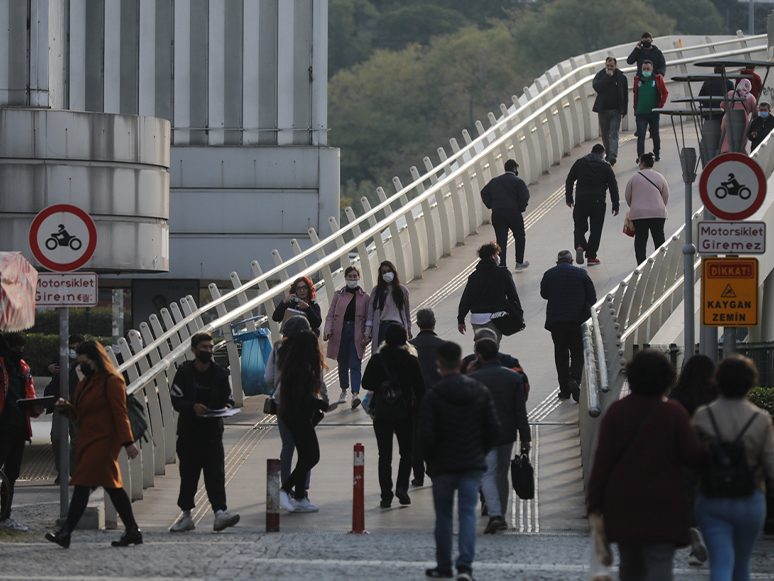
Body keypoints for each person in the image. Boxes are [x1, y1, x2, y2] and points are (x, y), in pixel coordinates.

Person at [587, 349, 704, 581]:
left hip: (624, 501)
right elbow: (693, 457)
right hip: (664, 500)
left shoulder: (617, 412)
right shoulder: (674, 413)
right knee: (660, 560)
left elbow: (602, 462)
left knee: (629, 563)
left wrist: (594, 502)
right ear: (666, 378)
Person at [45, 341, 141, 548]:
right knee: (111, 487)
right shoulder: (85, 382)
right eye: (79, 363)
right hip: (89, 441)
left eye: (84, 362)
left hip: (105, 442)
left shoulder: (113, 381)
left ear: (96, 360)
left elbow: (120, 414)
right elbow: (79, 414)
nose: (81, 367)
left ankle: (66, 533)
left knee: (82, 485)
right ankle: (132, 529)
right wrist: (65, 408)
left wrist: (128, 442)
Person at [421, 341, 500, 581]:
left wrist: (430, 461)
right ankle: (465, 566)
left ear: (438, 364)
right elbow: (493, 430)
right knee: (467, 514)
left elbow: (425, 435)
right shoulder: (479, 391)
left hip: (442, 466)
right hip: (471, 465)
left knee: (444, 517)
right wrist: (479, 452)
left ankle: (444, 565)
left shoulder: (433, 395)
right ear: (461, 362)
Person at [693, 356, 774, 580]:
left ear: (718, 381)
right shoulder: (760, 418)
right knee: (742, 563)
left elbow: (692, 457)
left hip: (711, 497)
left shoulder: (703, 415)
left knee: (720, 561)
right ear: (751, 382)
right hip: (750, 498)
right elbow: (771, 465)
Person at [168, 332, 240, 533]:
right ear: (194, 350)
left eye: (210, 347)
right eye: (204, 348)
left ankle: (219, 514)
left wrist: (225, 406)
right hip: (189, 433)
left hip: (212, 434)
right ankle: (186, 515)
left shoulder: (219, 373)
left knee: (215, 474)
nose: (208, 351)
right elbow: (176, 399)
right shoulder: (184, 372)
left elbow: (228, 398)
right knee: (188, 475)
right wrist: (192, 406)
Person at [469, 338, 530, 535]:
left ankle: (495, 515)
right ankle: (501, 516)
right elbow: (520, 411)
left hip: (484, 435)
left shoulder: (475, 379)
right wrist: (525, 437)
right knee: (502, 476)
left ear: (479, 355)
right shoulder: (513, 378)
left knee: (487, 474)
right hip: (507, 434)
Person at [266, 316, 327, 510]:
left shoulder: (279, 349)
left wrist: (278, 390)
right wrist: (323, 400)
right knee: (308, 453)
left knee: (289, 447)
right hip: (300, 408)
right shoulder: (308, 353)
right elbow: (319, 379)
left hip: (280, 403)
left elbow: (268, 376)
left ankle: (297, 495)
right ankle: (290, 492)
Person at [362, 323, 425, 508]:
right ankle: (402, 488)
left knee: (385, 455)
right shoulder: (411, 360)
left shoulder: (377, 360)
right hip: (405, 412)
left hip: (382, 413)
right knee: (406, 452)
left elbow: (366, 383)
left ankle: (386, 496)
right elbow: (421, 390)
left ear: (386, 339)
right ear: (404, 339)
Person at [669, 354, 717, 566]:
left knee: (689, 497)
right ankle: (707, 537)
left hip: (684, 454)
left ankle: (694, 530)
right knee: (711, 497)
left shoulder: (678, 395)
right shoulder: (717, 395)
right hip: (713, 454)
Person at [540, 250, 597, 401]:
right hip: (577, 319)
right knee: (577, 352)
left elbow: (544, 294)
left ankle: (564, 390)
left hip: (556, 321)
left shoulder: (549, 274)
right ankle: (575, 379)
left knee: (561, 354)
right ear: (571, 261)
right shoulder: (581, 273)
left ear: (557, 262)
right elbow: (592, 297)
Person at [0, 334, 42, 532]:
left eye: (21, 349)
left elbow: (29, 394)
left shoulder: (23, 368)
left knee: (12, 474)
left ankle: (5, 516)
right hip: (3, 425)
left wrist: (35, 407)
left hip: (18, 427)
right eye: (16, 348)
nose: (19, 352)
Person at [457, 241, 523, 345]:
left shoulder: (474, 276)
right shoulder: (503, 273)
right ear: (493, 256)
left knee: (480, 349)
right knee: (492, 350)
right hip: (495, 318)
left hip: (476, 319)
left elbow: (466, 299)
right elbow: (512, 295)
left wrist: (461, 319)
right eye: (497, 254)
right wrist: (518, 314)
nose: (498, 257)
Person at [565, 144, 619, 266]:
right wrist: (615, 205)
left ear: (591, 151)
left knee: (579, 225)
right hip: (598, 201)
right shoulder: (605, 166)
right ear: (603, 154)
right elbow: (613, 186)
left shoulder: (580, 163)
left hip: (581, 199)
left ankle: (580, 244)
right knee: (596, 229)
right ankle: (591, 257)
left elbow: (569, 180)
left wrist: (569, 198)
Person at [409, 308, 446, 487]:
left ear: (417, 323)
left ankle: (418, 475)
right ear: (434, 323)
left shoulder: (410, 346)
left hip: (416, 398)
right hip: (438, 398)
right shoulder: (443, 345)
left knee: (416, 438)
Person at [323, 266, 370, 408]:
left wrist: (367, 335)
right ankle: (344, 390)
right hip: (340, 332)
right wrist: (327, 330)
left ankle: (355, 394)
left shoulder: (365, 297)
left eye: (355, 276)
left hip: (357, 332)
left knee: (356, 363)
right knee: (342, 364)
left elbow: (369, 317)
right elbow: (330, 315)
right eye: (349, 276)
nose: (352, 279)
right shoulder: (338, 295)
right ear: (345, 278)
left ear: (359, 278)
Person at [45, 333, 85, 484]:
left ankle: (74, 472)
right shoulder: (60, 359)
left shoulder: (87, 362)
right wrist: (48, 368)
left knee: (76, 440)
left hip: (78, 406)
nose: (72, 351)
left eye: (75, 348)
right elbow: (48, 369)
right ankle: (61, 471)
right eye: (70, 348)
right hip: (60, 404)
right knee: (56, 437)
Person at [480, 159, 530, 272]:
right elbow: (525, 196)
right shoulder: (518, 181)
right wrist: (521, 208)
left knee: (501, 239)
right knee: (519, 236)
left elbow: (484, 192)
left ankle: (502, 264)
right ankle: (519, 262)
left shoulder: (495, 181)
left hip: (498, 213)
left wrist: (491, 205)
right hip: (514, 213)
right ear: (514, 169)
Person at [624, 152, 670, 266]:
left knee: (640, 239)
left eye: (639, 162)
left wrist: (635, 206)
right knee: (659, 238)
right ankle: (660, 262)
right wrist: (659, 206)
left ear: (642, 163)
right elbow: (665, 195)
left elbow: (628, 196)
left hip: (639, 214)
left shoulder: (634, 178)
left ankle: (641, 264)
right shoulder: (660, 177)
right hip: (658, 213)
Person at [460, 328, 531, 400]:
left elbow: (458, 391)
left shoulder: (468, 363)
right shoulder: (510, 362)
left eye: (475, 341)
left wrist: (469, 376)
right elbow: (523, 387)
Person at [363, 260, 412, 349]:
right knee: (383, 356)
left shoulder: (402, 290)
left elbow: (407, 312)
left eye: (389, 271)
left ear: (394, 272)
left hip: (398, 327)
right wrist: (367, 333)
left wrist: (409, 329)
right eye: (384, 272)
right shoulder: (376, 291)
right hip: (383, 327)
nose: (387, 274)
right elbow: (370, 314)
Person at [592, 57, 628, 166]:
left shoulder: (621, 77)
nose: (609, 68)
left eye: (611, 66)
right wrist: (607, 77)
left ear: (615, 66)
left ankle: (613, 155)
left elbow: (625, 95)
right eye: (608, 66)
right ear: (605, 65)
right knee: (605, 134)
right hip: (603, 110)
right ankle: (607, 153)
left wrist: (624, 110)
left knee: (614, 134)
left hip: (616, 110)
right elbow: (597, 87)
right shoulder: (600, 75)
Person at [633, 60, 669, 164]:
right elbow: (636, 94)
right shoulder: (637, 80)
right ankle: (640, 156)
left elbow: (665, 92)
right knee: (641, 135)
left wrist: (660, 106)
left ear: (652, 69)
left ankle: (656, 153)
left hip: (653, 112)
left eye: (648, 69)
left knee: (655, 134)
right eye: (644, 69)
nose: (646, 71)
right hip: (641, 112)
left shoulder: (657, 79)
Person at [720, 78, 757, 154]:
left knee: (727, 139)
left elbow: (722, 105)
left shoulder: (730, 93)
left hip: (728, 119)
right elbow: (756, 111)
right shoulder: (750, 97)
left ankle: (725, 153)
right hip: (743, 120)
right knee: (741, 140)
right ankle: (741, 154)